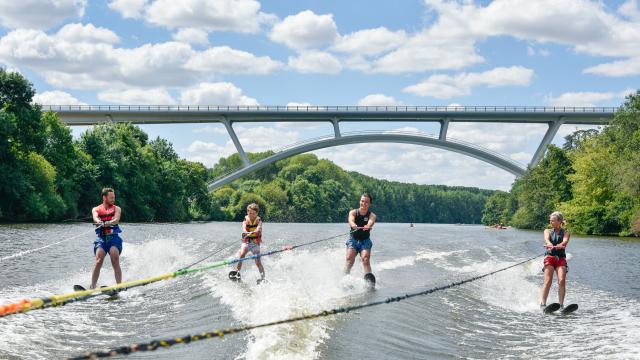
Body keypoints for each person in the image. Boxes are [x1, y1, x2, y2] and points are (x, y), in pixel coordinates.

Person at [90, 188, 123, 289]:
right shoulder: (96, 209)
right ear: (104, 197)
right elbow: (95, 217)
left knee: (114, 257)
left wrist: (110, 222)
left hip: (113, 239)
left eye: (114, 197)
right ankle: (92, 286)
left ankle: (119, 286)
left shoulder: (117, 209)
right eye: (111, 197)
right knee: (99, 260)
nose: (113, 199)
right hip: (101, 239)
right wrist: (99, 221)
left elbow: (116, 219)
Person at [540, 211, 570, 310]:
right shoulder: (547, 231)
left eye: (553, 221)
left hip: (560, 258)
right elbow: (546, 239)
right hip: (550, 257)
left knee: (561, 280)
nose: (551, 222)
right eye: (550, 221)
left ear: (559, 221)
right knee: (548, 281)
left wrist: (560, 245)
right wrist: (549, 244)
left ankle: (561, 305)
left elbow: (565, 241)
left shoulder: (566, 232)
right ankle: (543, 304)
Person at [344, 193, 377, 279]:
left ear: (369, 204)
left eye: (366, 202)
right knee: (349, 259)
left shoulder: (372, 215)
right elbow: (350, 220)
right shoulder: (353, 212)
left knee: (365, 259)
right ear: (359, 201)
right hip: (353, 240)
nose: (364, 203)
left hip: (365, 241)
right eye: (362, 201)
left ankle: (369, 279)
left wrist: (368, 226)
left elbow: (371, 221)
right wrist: (353, 224)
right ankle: (345, 278)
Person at [233, 203, 265, 283]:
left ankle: (263, 278)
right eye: (250, 213)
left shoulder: (259, 221)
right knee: (242, 255)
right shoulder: (245, 220)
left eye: (253, 213)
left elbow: (259, 227)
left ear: (256, 213)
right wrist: (245, 232)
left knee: (258, 261)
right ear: (247, 213)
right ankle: (237, 273)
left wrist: (257, 230)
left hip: (255, 243)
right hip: (246, 242)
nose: (251, 215)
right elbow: (244, 227)